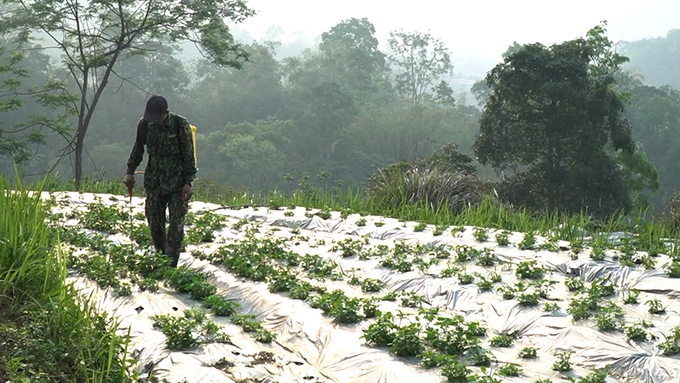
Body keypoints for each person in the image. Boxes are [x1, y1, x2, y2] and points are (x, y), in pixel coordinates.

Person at [123, 95, 196, 267]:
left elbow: (188, 154)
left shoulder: (180, 124)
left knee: (176, 226)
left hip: (177, 183)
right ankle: (160, 257)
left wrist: (188, 182)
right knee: (155, 223)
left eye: (158, 118)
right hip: (154, 182)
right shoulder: (145, 125)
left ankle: (171, 264)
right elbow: (138, 148)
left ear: (166, 113)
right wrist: (130, 172)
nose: (154, 121)